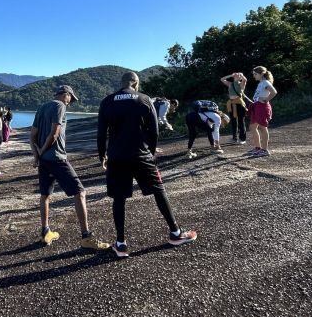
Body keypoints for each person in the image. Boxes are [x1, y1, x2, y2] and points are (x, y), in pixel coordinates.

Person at [98, 72, 197, 258]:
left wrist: (102, 155)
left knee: (119, 198)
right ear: (136, 83)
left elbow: (101, 132)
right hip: (141, 155)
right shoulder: (144, 99)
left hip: (117, 156)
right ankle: (176, 234)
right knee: (158, 191)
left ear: (122, 83)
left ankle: (120, 244)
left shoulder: (107, 101)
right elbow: (154, 130)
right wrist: (150, 152)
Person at [30, 85, 109, 251]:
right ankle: (86, 237)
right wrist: (44, 150)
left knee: (45, 195)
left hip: (44, 161)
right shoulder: (60, 106)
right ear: (65, 95)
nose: (70, 103)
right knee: (80, 193)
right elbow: (55, 133)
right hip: (57, 158)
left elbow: (33, 135)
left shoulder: (42, 107)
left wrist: (38, 156)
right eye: (70, 99)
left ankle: (45, 232)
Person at [248, 66, 278, 157]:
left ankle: (264, 150)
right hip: (257, 106)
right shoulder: (261, 83)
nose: (254, 76)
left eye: (255, 74)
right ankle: (258, 148)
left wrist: (266, 100)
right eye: (253, 74)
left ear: (261, 74)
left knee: (262, 127)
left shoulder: (265, 82)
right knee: (253, 127)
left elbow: (274, 92)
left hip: (262, 107)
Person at [220, 72, 248, 145]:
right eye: (236, 75)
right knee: (233, 122)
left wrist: (241, 75)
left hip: (239, 104)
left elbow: (245, 80)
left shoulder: (241, 84)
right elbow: (222, 79)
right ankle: (234, 138)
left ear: (240, 77)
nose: (236, 76)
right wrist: (230, 75)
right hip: (231, 104)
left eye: (238, 75)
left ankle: (242, 139)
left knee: (241, 121)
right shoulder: (230, 84)